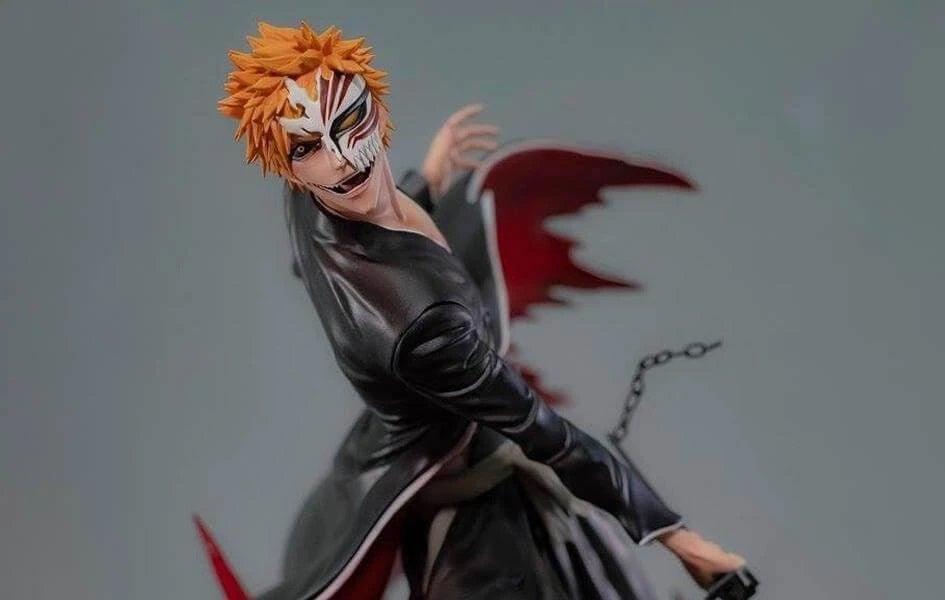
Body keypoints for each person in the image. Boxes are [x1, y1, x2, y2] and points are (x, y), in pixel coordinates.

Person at [207, 21, 747, 600]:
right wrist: (679, 538)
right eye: (308, 148)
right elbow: (543, 431)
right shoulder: (421, 326)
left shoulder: (305, 200)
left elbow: (316, 258)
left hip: (428, 435)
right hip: (461, 482)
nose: (340, 159)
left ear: (378, 108)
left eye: (348, 121)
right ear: (288, 167)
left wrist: (424, 183)